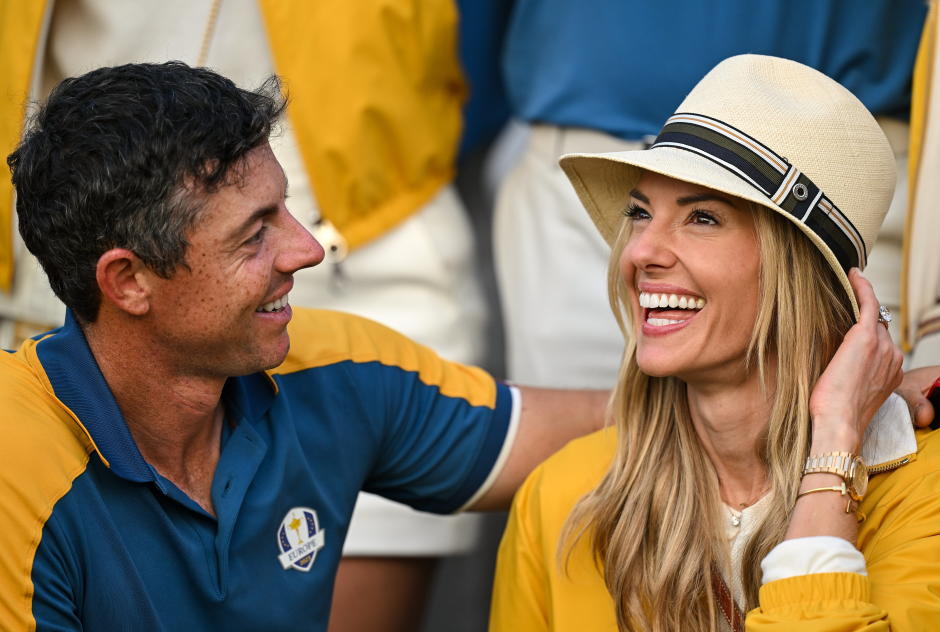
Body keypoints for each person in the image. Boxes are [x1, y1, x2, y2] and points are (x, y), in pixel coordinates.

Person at [0, 61, 610, 631]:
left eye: (286, 210)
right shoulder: (15, 463)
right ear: (128, 281)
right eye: (253, 234)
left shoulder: (325, 362)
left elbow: (609, 430)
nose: (306, 250)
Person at [490, 55, 940, 631]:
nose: (640, 252)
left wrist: (833, 448)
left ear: (801, 276)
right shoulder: (563, 497)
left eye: (703, 218)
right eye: (640, 213)